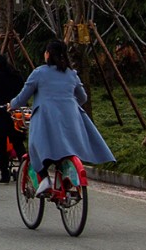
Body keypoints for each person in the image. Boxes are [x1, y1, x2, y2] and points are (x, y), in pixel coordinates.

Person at [8, 40, 114, 195]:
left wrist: (12, 105)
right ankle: (67, 178)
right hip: (71, 118)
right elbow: (83, 98)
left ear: (48, 54)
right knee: (65, 148)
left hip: (46, 118)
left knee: (35, 146)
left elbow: (23, 97)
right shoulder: (72, 74)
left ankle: (44, 180)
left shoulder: (39, 72)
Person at [0, 54, 27, 184]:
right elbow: (23, 91)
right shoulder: (16, 76)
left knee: (1, 146)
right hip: (16, 113)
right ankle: (26, 171)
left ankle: (5, 175)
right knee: (18, 144)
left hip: (1, 113)